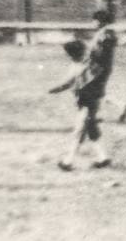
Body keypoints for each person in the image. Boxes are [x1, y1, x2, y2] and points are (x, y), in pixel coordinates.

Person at [48, 40, 112, 171]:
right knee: (91, 130)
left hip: (87, 103)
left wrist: (52, 90)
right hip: (91, 102)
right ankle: (103, 158)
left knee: (79, 132)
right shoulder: (89, 64)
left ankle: (68, 162)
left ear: (72, 55)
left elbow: (67, 84)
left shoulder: (80, 67)